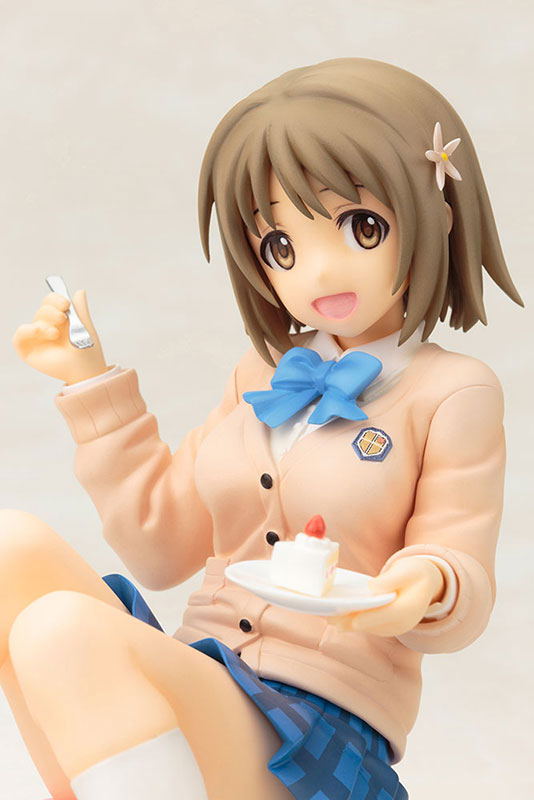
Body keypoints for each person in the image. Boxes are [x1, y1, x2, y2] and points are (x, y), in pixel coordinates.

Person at [2, 57, 523, 800]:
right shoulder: (261, 372)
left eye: (361, 227)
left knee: (61, 629)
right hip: (208, 672)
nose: (319, 274)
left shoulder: (451, 391)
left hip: (318, 718)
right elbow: (162, 550)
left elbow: (457, 558)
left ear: (434, 213)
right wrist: (91, 385)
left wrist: (424, 583)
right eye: (282, 245)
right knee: (10, 549)